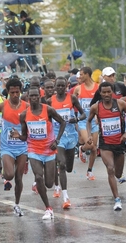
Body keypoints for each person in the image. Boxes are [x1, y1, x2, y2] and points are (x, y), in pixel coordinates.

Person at [11, 87, 66, 220]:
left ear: (39, 96)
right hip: (33, 149)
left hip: (49, 150)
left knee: (49, 183)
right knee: (38, 177)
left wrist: (57, 140)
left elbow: (63, 122)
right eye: (32, 96)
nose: (34, 98)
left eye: (36, 96)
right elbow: (25, 136)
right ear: (28, 98)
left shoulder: (49, 110)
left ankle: (48, 194)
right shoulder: (24, 115)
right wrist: (18, 136)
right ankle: (48, 208)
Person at [86, 82, 126, 211]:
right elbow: (88, 120)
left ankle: (119, 178)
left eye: (109, 92)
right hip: (105, 144)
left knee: (118, 173)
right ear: (100, 93)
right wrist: (89, 135)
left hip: (119, 143)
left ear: (112, 92)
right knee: (110, 168)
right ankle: (117, 200)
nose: (107, 94)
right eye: (104, 92)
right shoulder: (96, 107)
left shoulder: (120, 104)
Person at [0, 78, 28, 215]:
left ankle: (17, 205)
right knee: (10, 175)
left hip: (22, 146)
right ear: (8, 92)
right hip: (7, 147)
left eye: (17, 92)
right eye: (12, 92)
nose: (15, 95)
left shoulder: (26, 106)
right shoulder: (3, 106)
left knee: (19, 178)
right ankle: (4, 173)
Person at [47, 77, 85, 209]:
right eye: (58, 86)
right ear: (55, 87)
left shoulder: (72, 99)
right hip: (58, 137)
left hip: (71, 136)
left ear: (67, 86)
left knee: (68, 167)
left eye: (63, 86)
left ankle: (74, 154)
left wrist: (77, 118)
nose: (61, 88)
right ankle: (65, 196)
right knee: (62, 165)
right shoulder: (49, 101)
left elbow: (83, 114)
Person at [72, 67, 99, 180]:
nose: (80, 77)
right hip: (83, 121)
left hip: (94, 121)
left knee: (94, 148)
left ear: (88, 75)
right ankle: (82, 149)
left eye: (82, 75)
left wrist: (98, 115)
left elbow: (100, 103)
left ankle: (89, 171)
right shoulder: (78, 89)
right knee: (90, 145)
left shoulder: (98, 88)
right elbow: (72, 104)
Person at [2, 7, 24, 72]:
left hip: (10, 41)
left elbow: (3, 30)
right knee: (20, 56)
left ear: (5, 13)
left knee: (11, 57)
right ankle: (23, 69)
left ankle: (14, 71)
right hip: (19, 40)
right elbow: (20, 26)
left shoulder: (4, 19)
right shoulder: (15, 17)